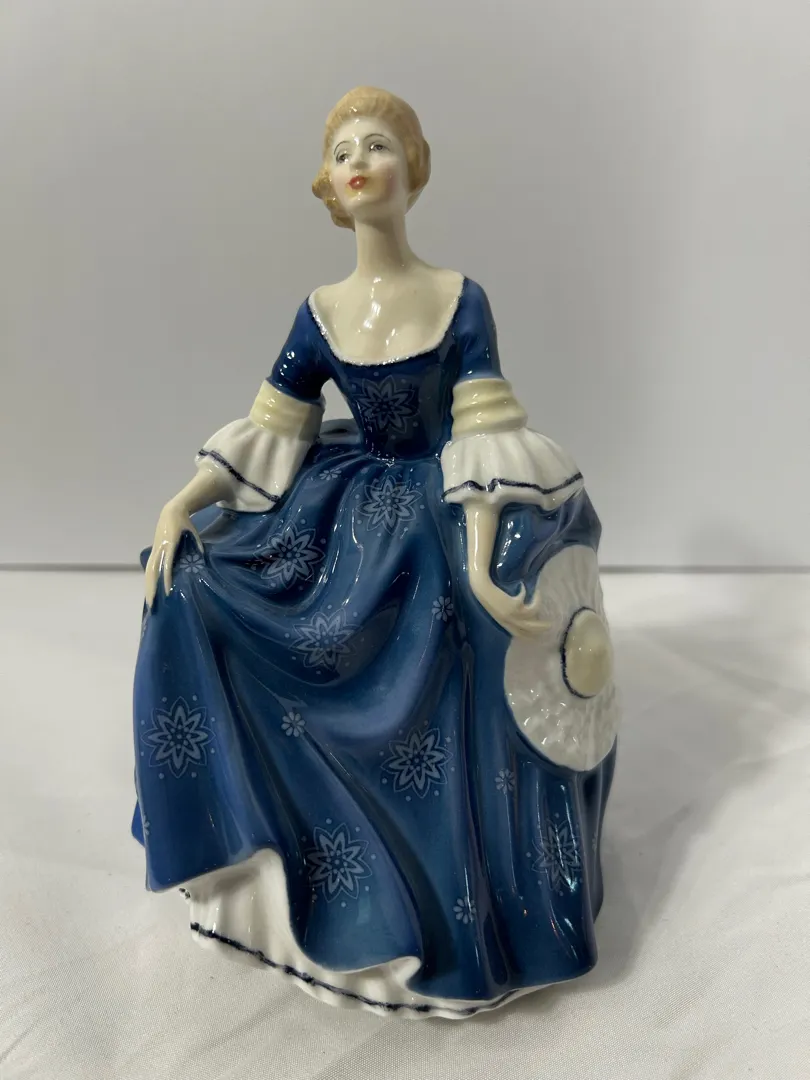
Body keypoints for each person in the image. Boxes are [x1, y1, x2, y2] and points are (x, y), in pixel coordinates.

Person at [132, 86, 619, 1018]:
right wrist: (179, 504)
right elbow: (274, 425)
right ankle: (259, 844)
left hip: (436, 503)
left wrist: (480, 562)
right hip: (345, 502)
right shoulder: (320, 313)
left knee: (457, 619)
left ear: (413, 168)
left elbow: (482, 432)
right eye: (344, 150)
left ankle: (458, 894)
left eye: (380, 145)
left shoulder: (461, 299)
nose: (360, 161)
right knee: (195, 580)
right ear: (329, 183)